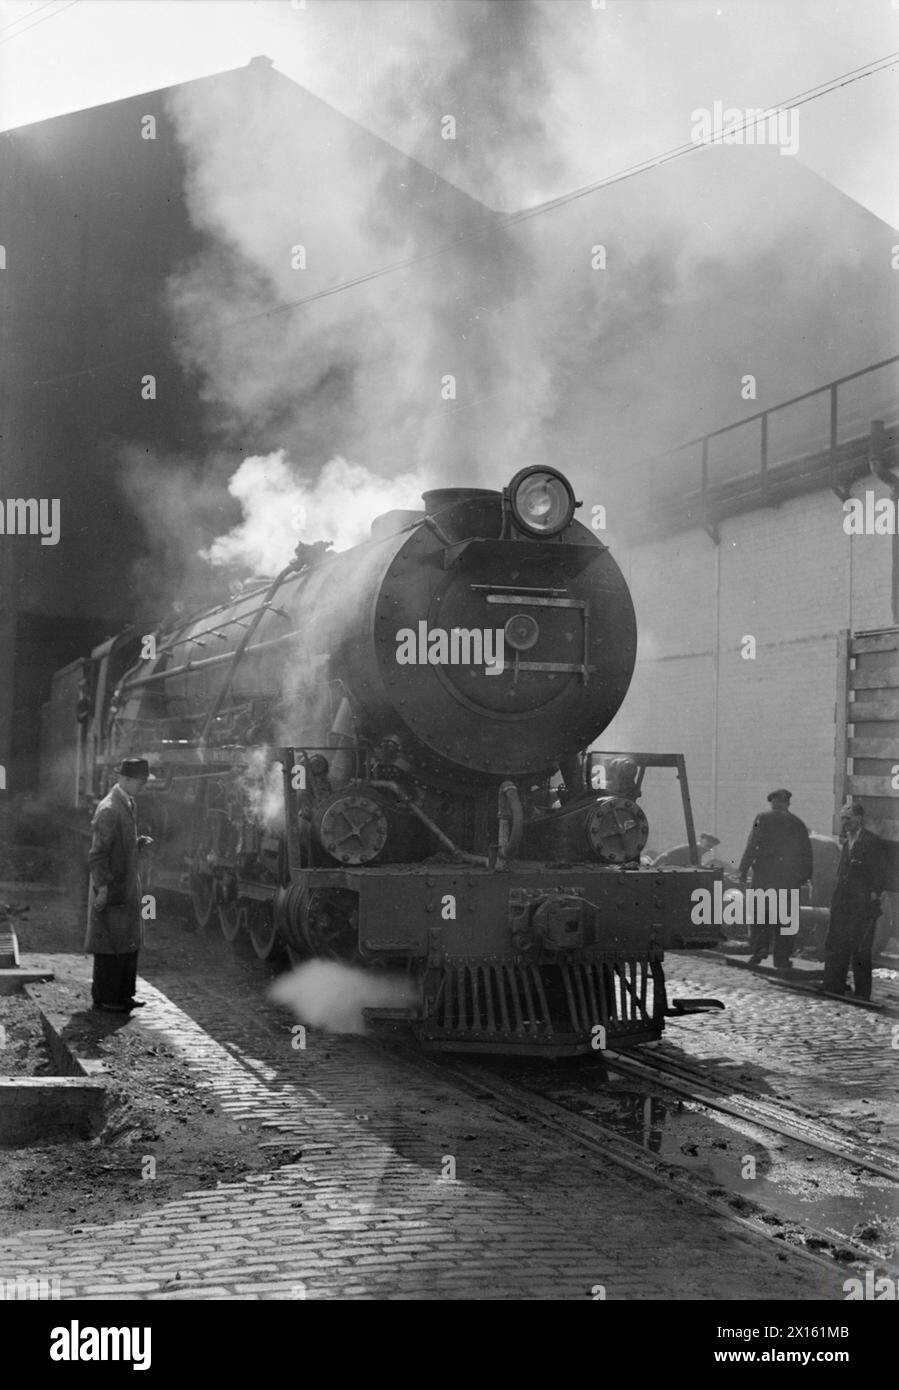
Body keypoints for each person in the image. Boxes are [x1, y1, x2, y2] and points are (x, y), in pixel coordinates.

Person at [85, 757, 152, 1013]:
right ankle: (106, 998)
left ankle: (123, 995)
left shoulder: (126, 803)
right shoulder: (110, 809)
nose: (143, 786)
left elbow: (117, 844)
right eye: (140, 782)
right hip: (112, 885)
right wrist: (102, 888)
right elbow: (98, 854)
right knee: (110, 942)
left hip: (124, 885)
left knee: (126, 941)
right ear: (125, 780)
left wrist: (135, 844)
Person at [738, 788, 812, 968]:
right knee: (785, 919)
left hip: (764, 877)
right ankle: (782, 958)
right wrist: (802, 878)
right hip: (788, 880)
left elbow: (752, 845)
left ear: (772, 802)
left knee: (760, 915)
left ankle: (760, 950)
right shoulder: (798, 823)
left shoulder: (761, 818)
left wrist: (743, 869)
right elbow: (806, 854)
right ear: (788, 803)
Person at [821, 801, 885, 999]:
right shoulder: (846, 840)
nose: (844, 822)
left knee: (860, 948)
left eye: (848, 818)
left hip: (861, 903)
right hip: (843, 901)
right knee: (837, 942)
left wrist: (873, 897)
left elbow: (879, 875)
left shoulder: (871, 842)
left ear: (859, 818)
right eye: (842, 819)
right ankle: (834, 986)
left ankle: (862, 993)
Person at [653, 832, 720, 868]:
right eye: (708, 846)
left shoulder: (698, 851)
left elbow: (697, 865)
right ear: (702, 842)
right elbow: (692, 865)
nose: (707, 850)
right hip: (663, 863)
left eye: (710, 846)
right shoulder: (695, 849)